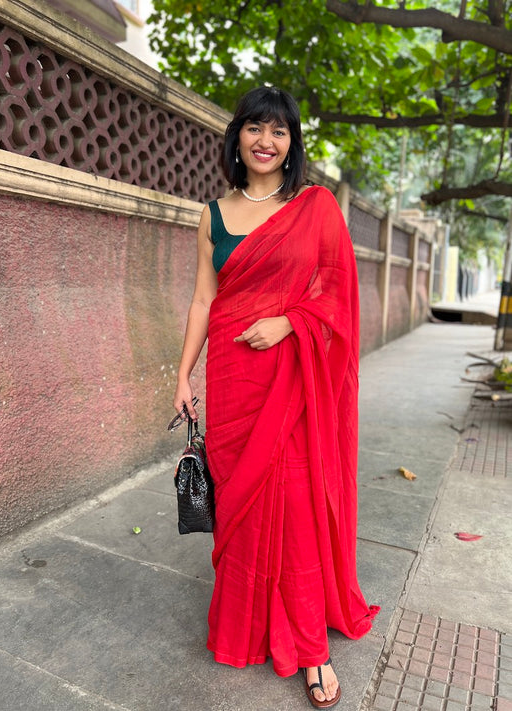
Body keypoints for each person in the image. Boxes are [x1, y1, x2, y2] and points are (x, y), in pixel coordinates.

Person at [173, 86, 379, 709]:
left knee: (293, 505)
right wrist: (183, 375)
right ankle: (247, 627)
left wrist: (290, 323)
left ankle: (311, 649)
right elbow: (204, 300)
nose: (266, 141)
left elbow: (338, 293)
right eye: (255, 129)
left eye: (279, 131)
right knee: (242, 507)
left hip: (292, 376)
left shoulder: (314, 207)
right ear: (236, 137)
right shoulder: (212, 214)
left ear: (292, 144)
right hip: (233, 378)